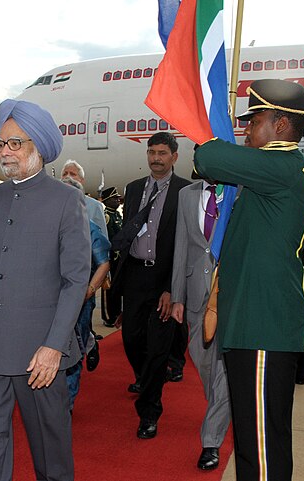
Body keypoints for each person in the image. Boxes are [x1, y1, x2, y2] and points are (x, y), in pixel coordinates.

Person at [0, 99, 91, 481]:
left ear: (39, 147)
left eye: (15, 143)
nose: (5, 152)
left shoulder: (67, 200)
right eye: (1, 144)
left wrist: (53, 346)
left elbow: (74, 280)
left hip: (40, 355)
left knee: (50, 448)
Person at [193, 79, 304, 481]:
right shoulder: (278, 171)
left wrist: (207, 122)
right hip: (253, 326)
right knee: (254, 441)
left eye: (254, 119)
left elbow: (207, 158)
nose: (246, 128)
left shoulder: (283, 166)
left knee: (262, 449)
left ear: (280, 125)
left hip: (263, 328)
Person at [115, 131, 190, 439]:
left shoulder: (186, 191)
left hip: (163, 280)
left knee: (159, 348)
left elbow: (185, 243)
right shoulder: (133, 189)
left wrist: (173, 287)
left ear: (174, 156)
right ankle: (147, 379)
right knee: (131, 340)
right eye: (151, 152)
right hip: (134, 276)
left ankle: (149, 412)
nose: (156, 158)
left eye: (162, 153)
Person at [170, 180, 231, 470]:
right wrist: (177, 297)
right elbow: (181, 246)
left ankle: (211, 441)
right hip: (195, 295)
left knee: (225, 372)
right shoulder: (186, 194)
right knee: (204, 363)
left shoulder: (237, 190)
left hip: (230, 292)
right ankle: (221, 406)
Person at [61, 176, 110, 411]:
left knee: (73, 350)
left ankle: (66, 405)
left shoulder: (90, 230)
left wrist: (89, 291)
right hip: (52, 301)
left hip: (80, 301)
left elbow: (103, 264)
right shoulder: (48, 227)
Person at [61, 159, 107, 233]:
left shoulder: (94, 206)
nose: (68, 176)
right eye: (64, 174)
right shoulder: (54, 204)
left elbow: (102, 240)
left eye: (72, 174)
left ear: (81, 180)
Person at [100, 186, 123, 327]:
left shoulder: (116, 215)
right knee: (109, 289)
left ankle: (116, 313)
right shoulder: (107, 216)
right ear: (107, 201)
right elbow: (106, 238)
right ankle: (109, 316)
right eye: (114, 198)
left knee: (117, 288)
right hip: (111, 259)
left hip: (118, 259)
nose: (118, 200)